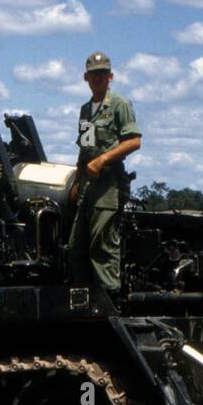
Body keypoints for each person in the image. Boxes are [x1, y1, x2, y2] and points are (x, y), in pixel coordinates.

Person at [68, 51, 142, 299]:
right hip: (89, 186)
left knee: (103, 244)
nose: (97, 78)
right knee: (76, 246)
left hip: (109, 184)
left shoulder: (119, 105)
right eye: (93, 74)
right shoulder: (86, 111)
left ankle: (111, 301)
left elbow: (133, 141)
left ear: (110, 77)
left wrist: (103, 160)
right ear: (85, 78)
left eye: (102, 74)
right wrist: (77, 181)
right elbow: (86, 148)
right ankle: (84, 301)